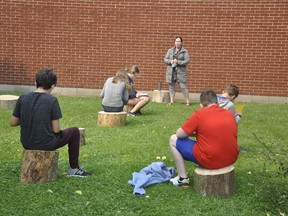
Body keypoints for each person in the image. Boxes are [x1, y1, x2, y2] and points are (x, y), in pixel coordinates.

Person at [10, 68, 92, 177]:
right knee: (74, 131)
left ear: (35, 83)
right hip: (46, 144)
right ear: (53, 85)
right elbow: (56, 130)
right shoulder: (51, 100)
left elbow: (13, 122)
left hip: (26, 143)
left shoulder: (23, 97)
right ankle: (74, 169)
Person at [169, 90, 238, 187]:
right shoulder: (229, 114)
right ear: (217, 102)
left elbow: (179, 134)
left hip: (209, 160)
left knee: (173, 139)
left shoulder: (199, 114)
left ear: (201, 105)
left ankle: (182, 178)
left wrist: (194, 131)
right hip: (231, 158)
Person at [164, 36, 190, 105]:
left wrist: (178, 62)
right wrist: (171, 61)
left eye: (179, 41)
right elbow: (165, 59)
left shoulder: (184, 51)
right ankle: (171, 101)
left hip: (180, 72)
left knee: (182, 86)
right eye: (176, 41)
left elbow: (187, 61)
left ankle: (187, 102)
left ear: (181, 43)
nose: (177, 43)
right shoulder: (170, 50)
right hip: (171, 72)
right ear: (174, 42)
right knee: (171, 86)